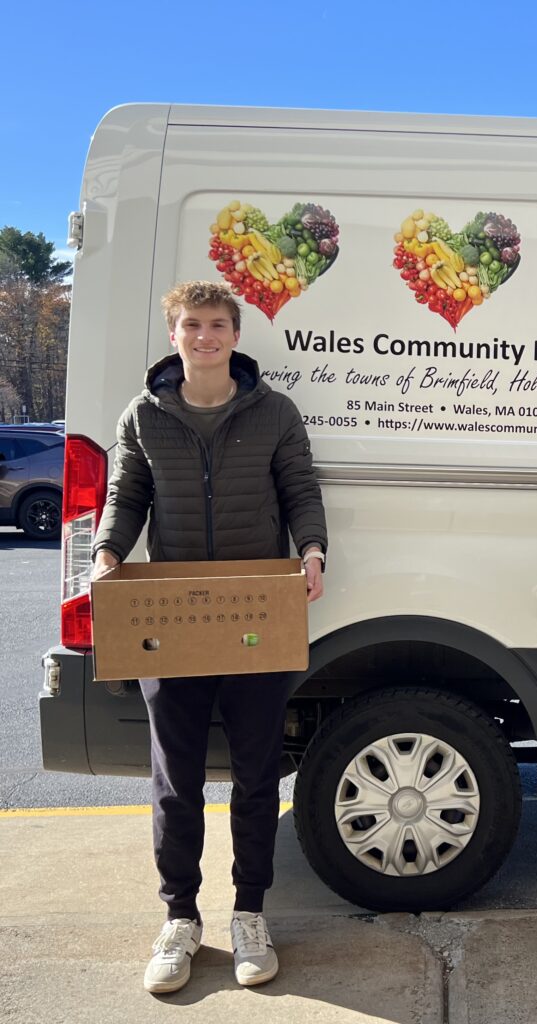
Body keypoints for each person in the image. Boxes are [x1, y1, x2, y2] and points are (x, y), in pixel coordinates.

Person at [91, 280, 328, 994]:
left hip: (254, 615)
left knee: (257, 776)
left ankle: (250, 913)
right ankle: (181, 919)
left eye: (218, 325)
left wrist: (313, 551)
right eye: (192, 325)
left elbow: (301, 490)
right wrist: (107, 554)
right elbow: (126, 495)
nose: (205, 337)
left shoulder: (274, 411)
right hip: (174, 622)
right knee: (176, 780)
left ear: (235, 333)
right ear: (174, 334)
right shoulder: (145, 415)